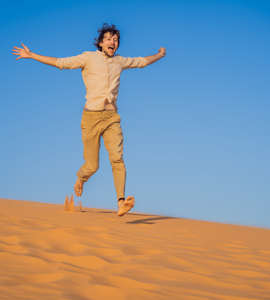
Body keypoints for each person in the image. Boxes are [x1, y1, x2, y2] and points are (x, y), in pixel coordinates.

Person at [12, 23, 166, 216]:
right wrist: (32, 55)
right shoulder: (88, 58)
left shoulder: (120, 61)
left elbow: (141, 61)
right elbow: (60, 62)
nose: (113, 42)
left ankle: (120, 202)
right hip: (91, 118)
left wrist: (159, 55)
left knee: (117, 159)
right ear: (101, 43)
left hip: (111, 117)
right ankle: (80, 179)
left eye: (116, 39)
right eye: (109, 39)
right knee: (92, 165)